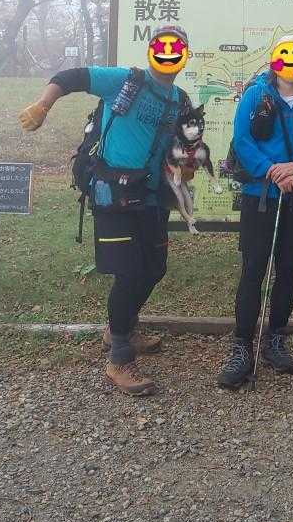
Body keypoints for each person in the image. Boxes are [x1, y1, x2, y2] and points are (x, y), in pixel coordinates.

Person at [18, 25, 193, 397]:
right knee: (129, 273)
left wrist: (185, 164)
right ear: (151, 50)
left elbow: (182, 148)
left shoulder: (181, 100)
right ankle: (119, 358)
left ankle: (120, 328)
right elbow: (69, 78)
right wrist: (43, 105)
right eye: (162, 46)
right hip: (113, 193)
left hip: (152, 196)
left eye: (177, 48)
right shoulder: (125, 81)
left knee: (154, 268)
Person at [217, 34, 293, 389]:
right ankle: (242, 345)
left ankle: (276, 339)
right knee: (253, 269)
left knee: (287, 270)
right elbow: (243, 140)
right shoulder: (256, 95)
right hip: (261, 197)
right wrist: (272, 171)